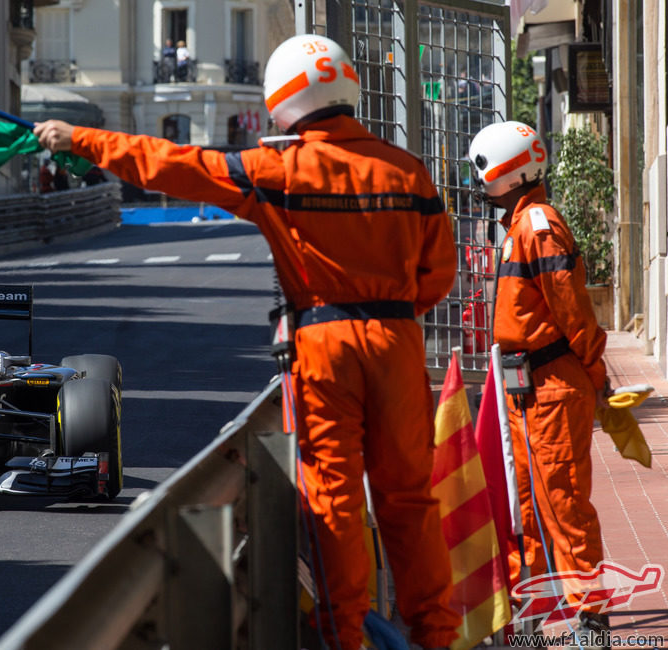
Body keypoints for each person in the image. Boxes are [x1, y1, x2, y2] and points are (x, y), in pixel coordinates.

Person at [36, 33, 460, 648]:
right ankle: (437, 634)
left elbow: (174, 164)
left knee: (335, 498)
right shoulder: (409, 172)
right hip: (397, 342)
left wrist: (84, 139)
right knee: (410, 499)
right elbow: (437, 275)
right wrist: (392, 315)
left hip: (325, 345)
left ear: (283, 101)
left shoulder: (278, 170)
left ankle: (344, 636)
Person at [468, 121, 611, 636]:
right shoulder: (521, 225)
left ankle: (590, 621)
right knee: (528, 502)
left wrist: (597, 377)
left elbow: (574, 313)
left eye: (486, 175)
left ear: (509, 174)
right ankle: (536, 609)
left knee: (564, 504)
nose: (481, 186)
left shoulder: (537, 226)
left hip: (550, 387)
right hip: (528, 390)